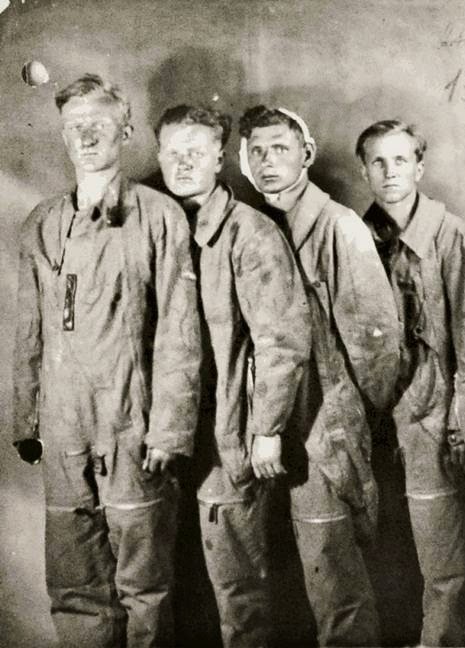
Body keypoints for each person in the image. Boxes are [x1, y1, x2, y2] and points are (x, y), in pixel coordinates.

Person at [12, 74, 201, 648]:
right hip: (64, 428)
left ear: (125, 129)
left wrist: (169, 428)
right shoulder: (43, 223)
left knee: (144, 585)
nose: (86, 135)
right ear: (63, 136)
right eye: (75, 125)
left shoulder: (159, 216)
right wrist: (27, 420)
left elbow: (179, 331)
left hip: (131, 427)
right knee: (75, 581)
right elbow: (30, 331)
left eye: (99, 122)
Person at [239, 105, 400, 647]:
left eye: (280, 149)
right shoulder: (253, 227)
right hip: (268, 424)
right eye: (257, 151)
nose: (268, 162)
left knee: (335, 578)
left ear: (306, 154)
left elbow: (376, 341)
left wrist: (354, 419)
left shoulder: (336, 226)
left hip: (324, 427)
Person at [156, 104, 310, 648]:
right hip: (164, 443)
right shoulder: (155, 227)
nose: (183, 164)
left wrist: (267, 428)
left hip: (228, 441)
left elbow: (282, 341)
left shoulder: (250, 232)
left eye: (196, 152)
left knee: (238, 589)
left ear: (219, 159)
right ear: (157, 155)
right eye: (173, 152)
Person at [356, 119, 465, 646]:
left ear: (419, 168)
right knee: (390, 552)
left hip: (439, 421)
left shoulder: (451, 236)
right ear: (364, 171)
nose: (390, 172)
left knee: (446, 560)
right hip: (377, 420)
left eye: (401, 160)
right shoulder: (356, 238)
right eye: (378, 161)